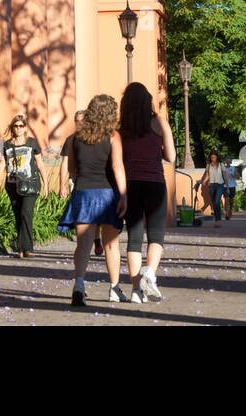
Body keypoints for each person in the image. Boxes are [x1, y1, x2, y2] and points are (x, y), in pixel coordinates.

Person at [59, 94, 128, 305]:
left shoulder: (75, 138)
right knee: (110, 245)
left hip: (83, 193)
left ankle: (79, 284)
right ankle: (114, 288)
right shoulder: (113, 136)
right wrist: (124, 195)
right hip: (107, 194)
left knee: (83, 245)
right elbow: (117, 167)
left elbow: (71, 170)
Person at [118, 82, 176, 303]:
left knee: (134, 239)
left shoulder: (121, 130)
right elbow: (171, 157)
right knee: (156, 235)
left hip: (130, 185)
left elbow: (118, 161)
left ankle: (135, 291)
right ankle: (150, 274)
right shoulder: (160, 123)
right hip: (154, 185)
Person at [0, 114, 49, 258]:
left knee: (26, 213)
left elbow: (40, 164)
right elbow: (2, 164)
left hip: (30, 183)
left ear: (25, 128)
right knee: (18, 215)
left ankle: (27, 248)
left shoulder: (32, 143)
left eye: (21, 126)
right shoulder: (7, 145)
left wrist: (46, 185)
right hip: (12, 185)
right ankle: (22, 249)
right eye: (16, 126)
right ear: (12, 128)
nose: (18, 129)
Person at [62, 109, 103, 256]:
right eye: (76, 121)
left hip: (97, 183)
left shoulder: (98, 138)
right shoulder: (71, 140)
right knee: (83, 215)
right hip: (78, 182)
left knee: (96, 216)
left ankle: (96, 238)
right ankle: (85, 243)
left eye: (82, 121)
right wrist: (63, 184)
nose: (79, 124)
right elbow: (66, 164)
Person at [201, 151, 223, 223]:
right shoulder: (208, 165)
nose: (213, 158)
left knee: (217, 201)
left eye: (214, 157)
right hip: (211, 185)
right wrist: (204, 181)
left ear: (217, 157)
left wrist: (227, 187)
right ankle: (217, 217)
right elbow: (207, 175)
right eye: (211, 157)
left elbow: (225, 176)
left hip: (220, 185)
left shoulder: (221, 164)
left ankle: (218, 217)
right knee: (214, 202)